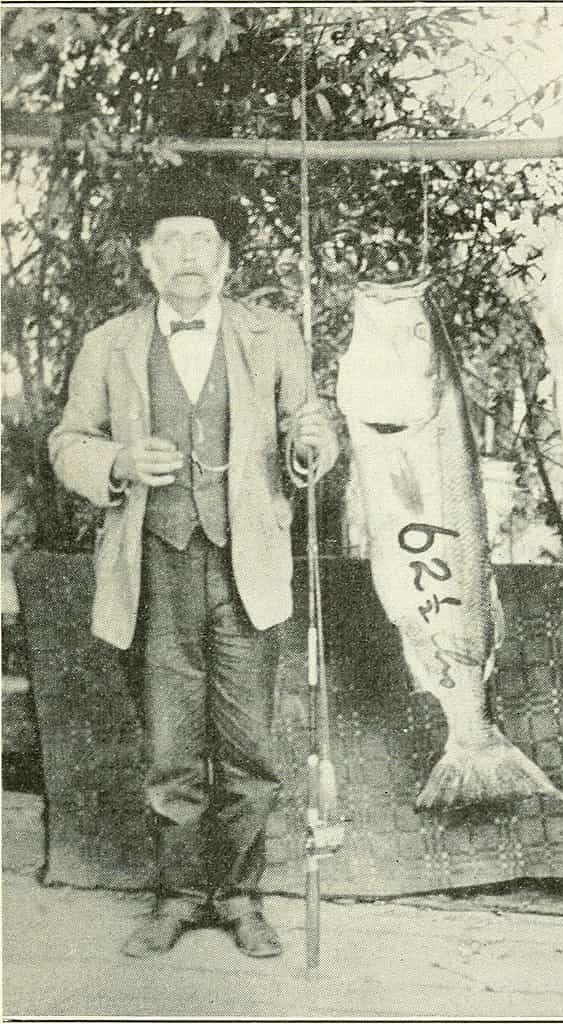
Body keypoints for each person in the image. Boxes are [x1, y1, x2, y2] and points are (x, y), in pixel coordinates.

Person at [49, 164, 340, 959]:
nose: (186, 255)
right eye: (169, 241)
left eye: (201, 240)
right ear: (145, 258)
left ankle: (241, 897)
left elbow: (308, 421)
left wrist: (313, 445)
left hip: (248, 567)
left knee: (250, 751)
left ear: (224, 257)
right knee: (171, 750)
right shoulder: (108, 344)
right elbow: (67, 443)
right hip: (152, 569)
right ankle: (179, 897)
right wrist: (113, 463)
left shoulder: (271, 334)